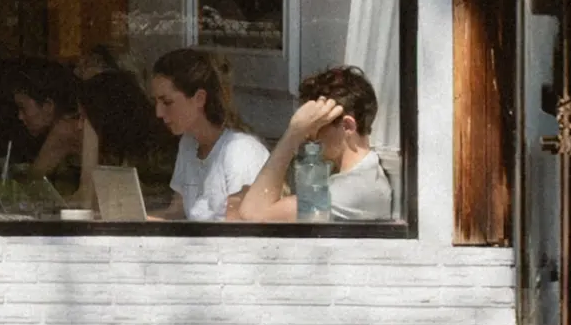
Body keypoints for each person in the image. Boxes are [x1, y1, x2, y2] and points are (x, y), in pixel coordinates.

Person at [229, 64, 398, 224]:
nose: (308, 136)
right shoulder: (352, 179)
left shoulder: (352, 191)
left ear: (347, 126)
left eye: (315, 126)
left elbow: (253, 216)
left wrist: (293, 133)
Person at [151, 48, 270, 222]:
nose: (158, 113)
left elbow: (238, 226)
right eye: (156, 102)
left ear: (199, 98)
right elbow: (177, 211)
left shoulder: (240, 150)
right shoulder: (189, 143)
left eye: (167, 102)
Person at [2, 58, 101, 193]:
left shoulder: (65, 129)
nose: (20, 116)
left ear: (48, 106)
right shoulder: (74, 123)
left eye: (23, 108)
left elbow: (31, 184)